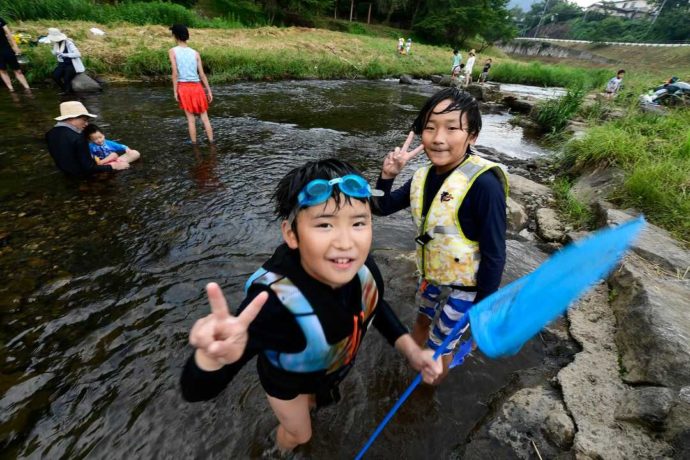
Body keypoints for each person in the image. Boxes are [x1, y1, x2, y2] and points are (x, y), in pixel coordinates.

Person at [180, 159, 442, 455]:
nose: (345, 242)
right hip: (287, 381)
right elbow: (194, 391)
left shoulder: (365, 270)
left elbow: (374, 307)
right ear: (292, 234)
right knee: (300, 433)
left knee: (317, 403)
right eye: (324, 224)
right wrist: (211, 358)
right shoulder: (273, 305)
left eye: (358, 222)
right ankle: (277, 451)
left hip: (326, 368)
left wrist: (412, 351)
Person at [372, 88, 508, 382]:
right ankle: (412, 369)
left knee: (440, 345)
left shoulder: (484, 185)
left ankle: (426, 390)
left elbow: (495, 254)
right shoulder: (423, 175)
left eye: (451, 128)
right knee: (421, 320)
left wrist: (484, 307)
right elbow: (380, 207)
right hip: (432, 273)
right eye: (430, 128)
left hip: (466, 287)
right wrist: (388, 174)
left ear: (472, 136)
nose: (438, 138)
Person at [46, 101, 129, 177]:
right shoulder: (78, 137)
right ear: (71, 118)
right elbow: (89, 168)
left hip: (66, 173)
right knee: (126, 160)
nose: (86, 124)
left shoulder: (50, 133)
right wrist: (113, 166)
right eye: (84, 120)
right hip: (84, 175)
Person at [168, 24, 214, 145]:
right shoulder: (195, 53)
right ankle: (212, 142)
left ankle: (194, 145)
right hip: (197, 87)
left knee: (191, 119)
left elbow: (175, 73)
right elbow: (202, 74)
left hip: (184, 88)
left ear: (175, 36)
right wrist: (209, 90)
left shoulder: (172, 51)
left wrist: (175, 91)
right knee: (205, 118)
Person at [47, 28, 85, 94]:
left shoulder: (69, 43)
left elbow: (78, 54)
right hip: (62, 64)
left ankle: (67, 92)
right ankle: (64, 89)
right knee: (55, 76)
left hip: (72, 64)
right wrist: (54, 52)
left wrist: (65, 55)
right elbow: (55, 52)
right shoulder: (56, 44)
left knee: (66, 78)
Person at [0, 17, 30, 92]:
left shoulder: (0, 20)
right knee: (2, 70)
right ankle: (11, 89)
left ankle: (27, 88)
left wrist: (15, 46)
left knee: (17, 69)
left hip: (6, 48)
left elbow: (8, 33)